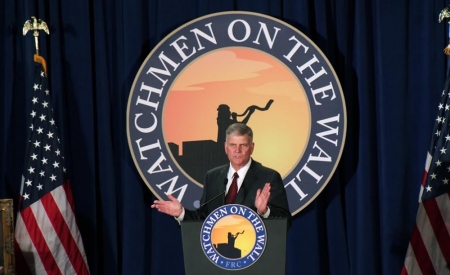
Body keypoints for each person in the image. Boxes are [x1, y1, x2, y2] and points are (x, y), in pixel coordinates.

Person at [151, 123, 292, 226]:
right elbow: (205, 218)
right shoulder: (212, 176)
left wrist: (265, 211)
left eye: (243, 145)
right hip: (217, 255)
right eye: (232, 145)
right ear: (225, 147)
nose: (237, 150)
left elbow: (286, 221)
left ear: (252, 147)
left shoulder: (268, 177)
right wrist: (181, 213)